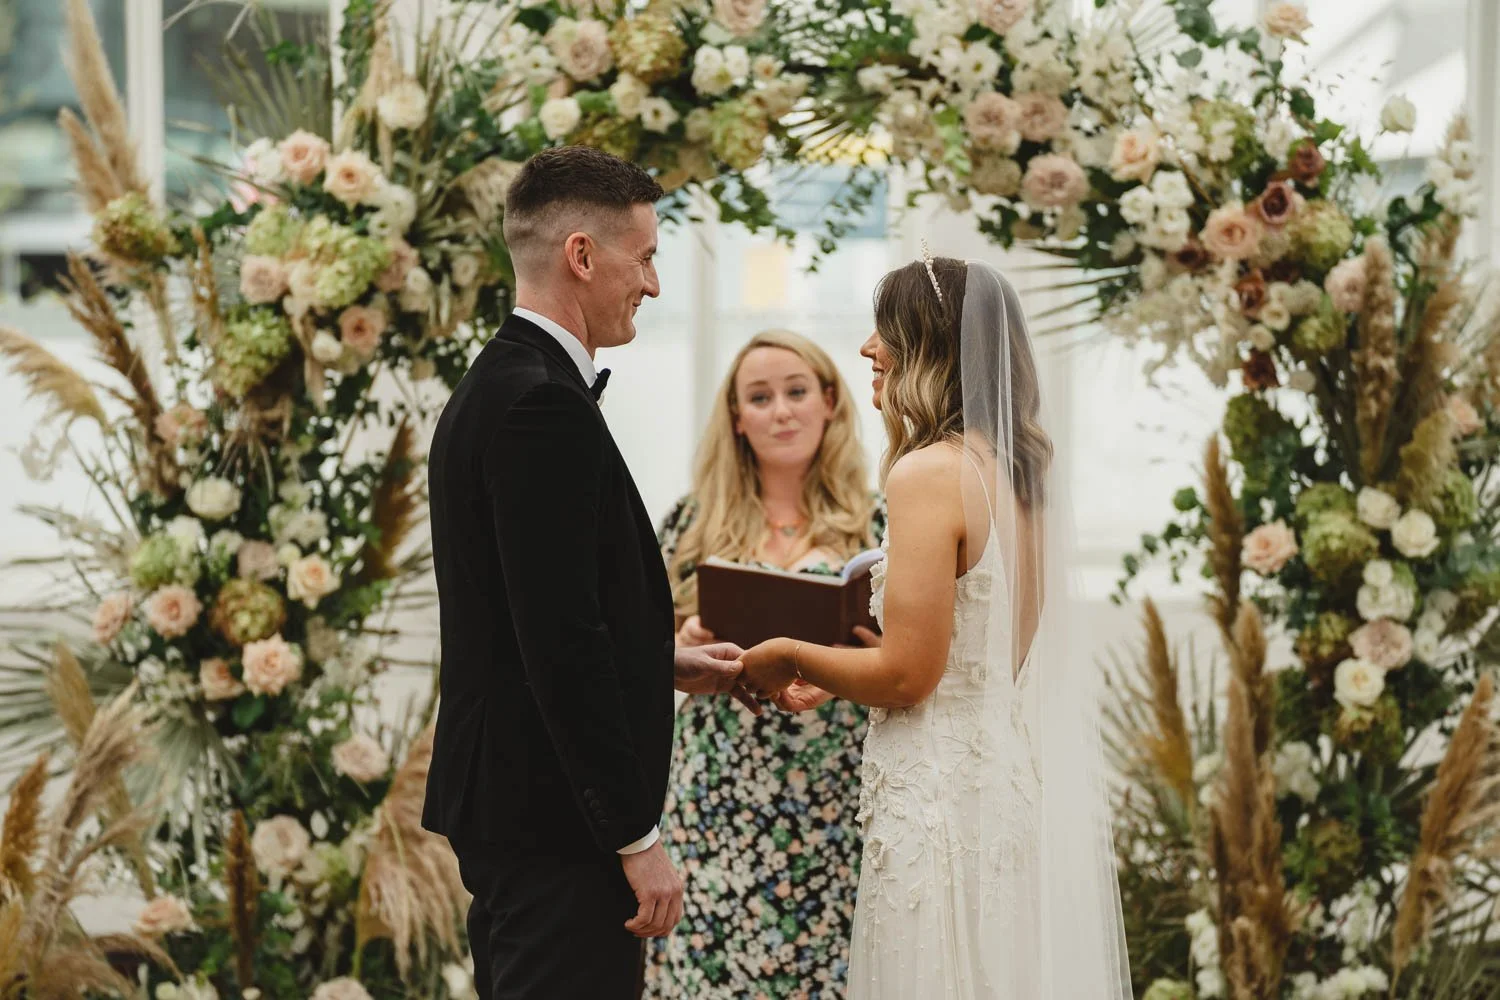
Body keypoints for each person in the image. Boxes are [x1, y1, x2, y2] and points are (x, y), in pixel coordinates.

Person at [738, 256, 1131, 999]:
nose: (867, 349)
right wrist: (843, 674)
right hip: (1003, 790)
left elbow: (910, 678)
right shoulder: (1021, 477)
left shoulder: (927, 473)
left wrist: (791, 654)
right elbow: (977, 663)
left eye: (885, 330)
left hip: (939, 811)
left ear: (930, 347)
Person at [421, 146, 758, 1000]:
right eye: (644, 257)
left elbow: (525, 614)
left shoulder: (497, 384)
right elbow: (559, 643)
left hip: (518, 807)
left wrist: (664, 664)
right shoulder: (541, 407)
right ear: (581, 255)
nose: (652, 284)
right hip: (556, 822)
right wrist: (636, 838)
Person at [644, 330, 886, 999]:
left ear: (830, 403)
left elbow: (908, 656)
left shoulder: (880, 522)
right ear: (737, 419)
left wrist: (842, 672)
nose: (781, 410)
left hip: (836, 788)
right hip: (719, 784)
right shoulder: (690, 522)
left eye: (796, 391)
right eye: (760, 397)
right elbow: (634, 650)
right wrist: (684, 638)